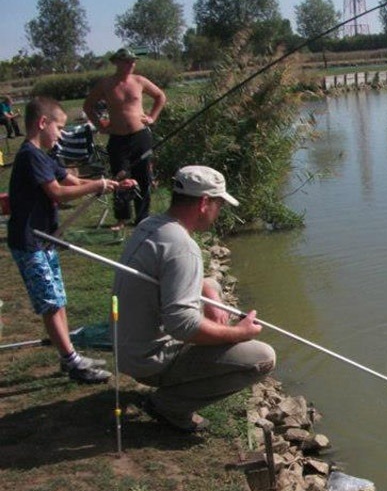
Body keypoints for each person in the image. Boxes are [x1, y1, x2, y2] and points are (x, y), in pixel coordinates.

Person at [113, 166, 276, 433]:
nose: (219, 211)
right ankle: (168, 404)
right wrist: (237, 333)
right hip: (149, 359)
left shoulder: (153, 225)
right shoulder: (183, 248)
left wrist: (208, 292)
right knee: (262, 358)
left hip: (127, 347)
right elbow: (182, 326)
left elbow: (165, 275)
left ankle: (176, 389)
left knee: (210, 283)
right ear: (204, 203)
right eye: (219, 204)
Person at [6, 97, 136, 384]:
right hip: (29, 241)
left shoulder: (46, 155)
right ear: (42, 123)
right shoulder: (30, 155)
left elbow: (72, 183)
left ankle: (69, 355)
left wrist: (111, 184)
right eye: (60, 127)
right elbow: (58, 193)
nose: (62, 134)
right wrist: (97, 186)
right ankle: (73, 363)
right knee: (50, 303)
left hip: (45, 240)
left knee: (59, 299)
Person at [83, 47, 166, 230]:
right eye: (127, 61)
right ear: (117, 63)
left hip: (140, 135)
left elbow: (160, 96)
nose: (131, 64)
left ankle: (142, 217)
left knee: (143, 175)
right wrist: (99, 125)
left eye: (133, 61)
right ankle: (122, 218)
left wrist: (152, 117)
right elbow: (88, 105)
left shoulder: (140, 80)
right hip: (118, 137)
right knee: (120, 177)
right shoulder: (106, 84)